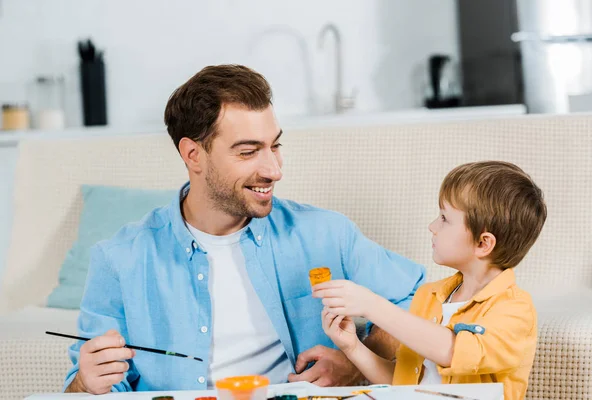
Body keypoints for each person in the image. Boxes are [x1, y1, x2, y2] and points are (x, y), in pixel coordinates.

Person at [63, 64, 425, 394]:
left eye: (275, 145)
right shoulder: (119, 258)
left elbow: (426, 303)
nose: (274, 169)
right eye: (249, 152)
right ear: (193, 155)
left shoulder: (325, 233)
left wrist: (358, 359)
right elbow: (88, 385)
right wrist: (86, 381)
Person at [315, 161, 547, 400]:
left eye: (445, 218)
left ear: (483, 243)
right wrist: (352, 346)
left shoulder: (515, 309)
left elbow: (454, 351)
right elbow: (403, 385)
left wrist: (372, 305)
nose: (432, 226)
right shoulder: (429, 296)